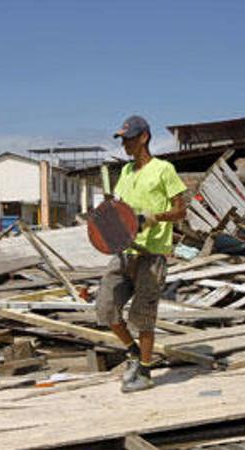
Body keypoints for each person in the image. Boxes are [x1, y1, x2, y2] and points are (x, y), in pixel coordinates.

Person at [97, 115, 187, 393]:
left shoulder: (164, 170)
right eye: (122, 139)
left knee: (142, 316)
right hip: (125, 252)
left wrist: (154, 217)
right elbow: (119, 211)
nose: (124, 144)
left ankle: (146, 373)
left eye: (129, 138)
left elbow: (181, 210)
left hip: (151, 255)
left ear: (144, 138)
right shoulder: (125, 173)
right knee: (105, 307)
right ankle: (133, 351)